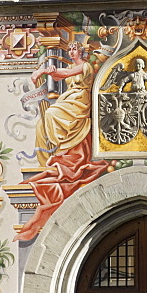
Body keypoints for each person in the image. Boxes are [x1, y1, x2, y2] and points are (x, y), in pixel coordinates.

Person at [15, 41, 108, 241]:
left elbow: (66, 74)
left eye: (75, 49)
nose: (72, 51)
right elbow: (61, 74)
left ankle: (61, 148)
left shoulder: (85, 66)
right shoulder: (72, 67)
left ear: (81, 51)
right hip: (70, 98)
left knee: (52, 113)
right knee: (50, 114)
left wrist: (45, 73)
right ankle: (61, 149)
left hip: (80, 100)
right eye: (71, 49)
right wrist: (49, 71)